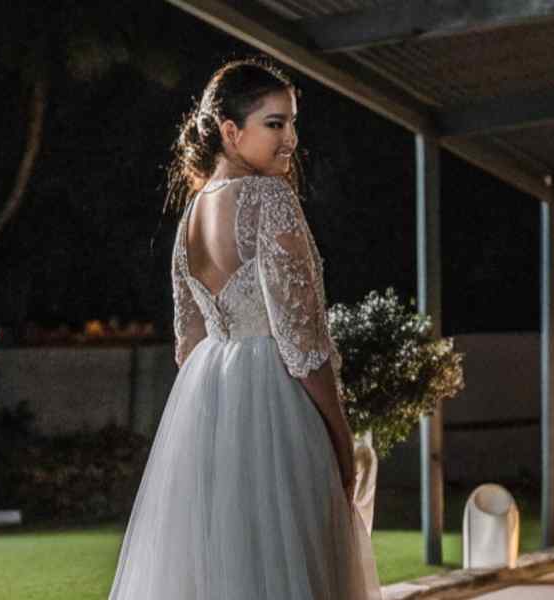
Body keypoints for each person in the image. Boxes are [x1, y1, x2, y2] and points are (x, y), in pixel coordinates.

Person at [107, 57, 379, 599]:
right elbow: (302, 345)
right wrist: (341, 436)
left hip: (205, 405)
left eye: (293, 123)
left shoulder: (191, 216)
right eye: (275, 124)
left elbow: (188, 344)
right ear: (231, 131)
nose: (290, 140)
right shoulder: (269, 200)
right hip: (277, 401)